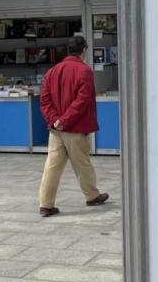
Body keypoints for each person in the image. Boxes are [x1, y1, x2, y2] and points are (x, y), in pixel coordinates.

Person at [38, 35, 109, 217]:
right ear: (83, 50)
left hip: (55, 130)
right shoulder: (84, 71)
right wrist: (65, 120)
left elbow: (45, 100)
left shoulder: (52, 71)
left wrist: (55, 120)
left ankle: (45, 204)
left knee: (52, 166)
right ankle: (92, 196)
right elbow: (82, 100)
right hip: (76, 128)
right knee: (82, 164)